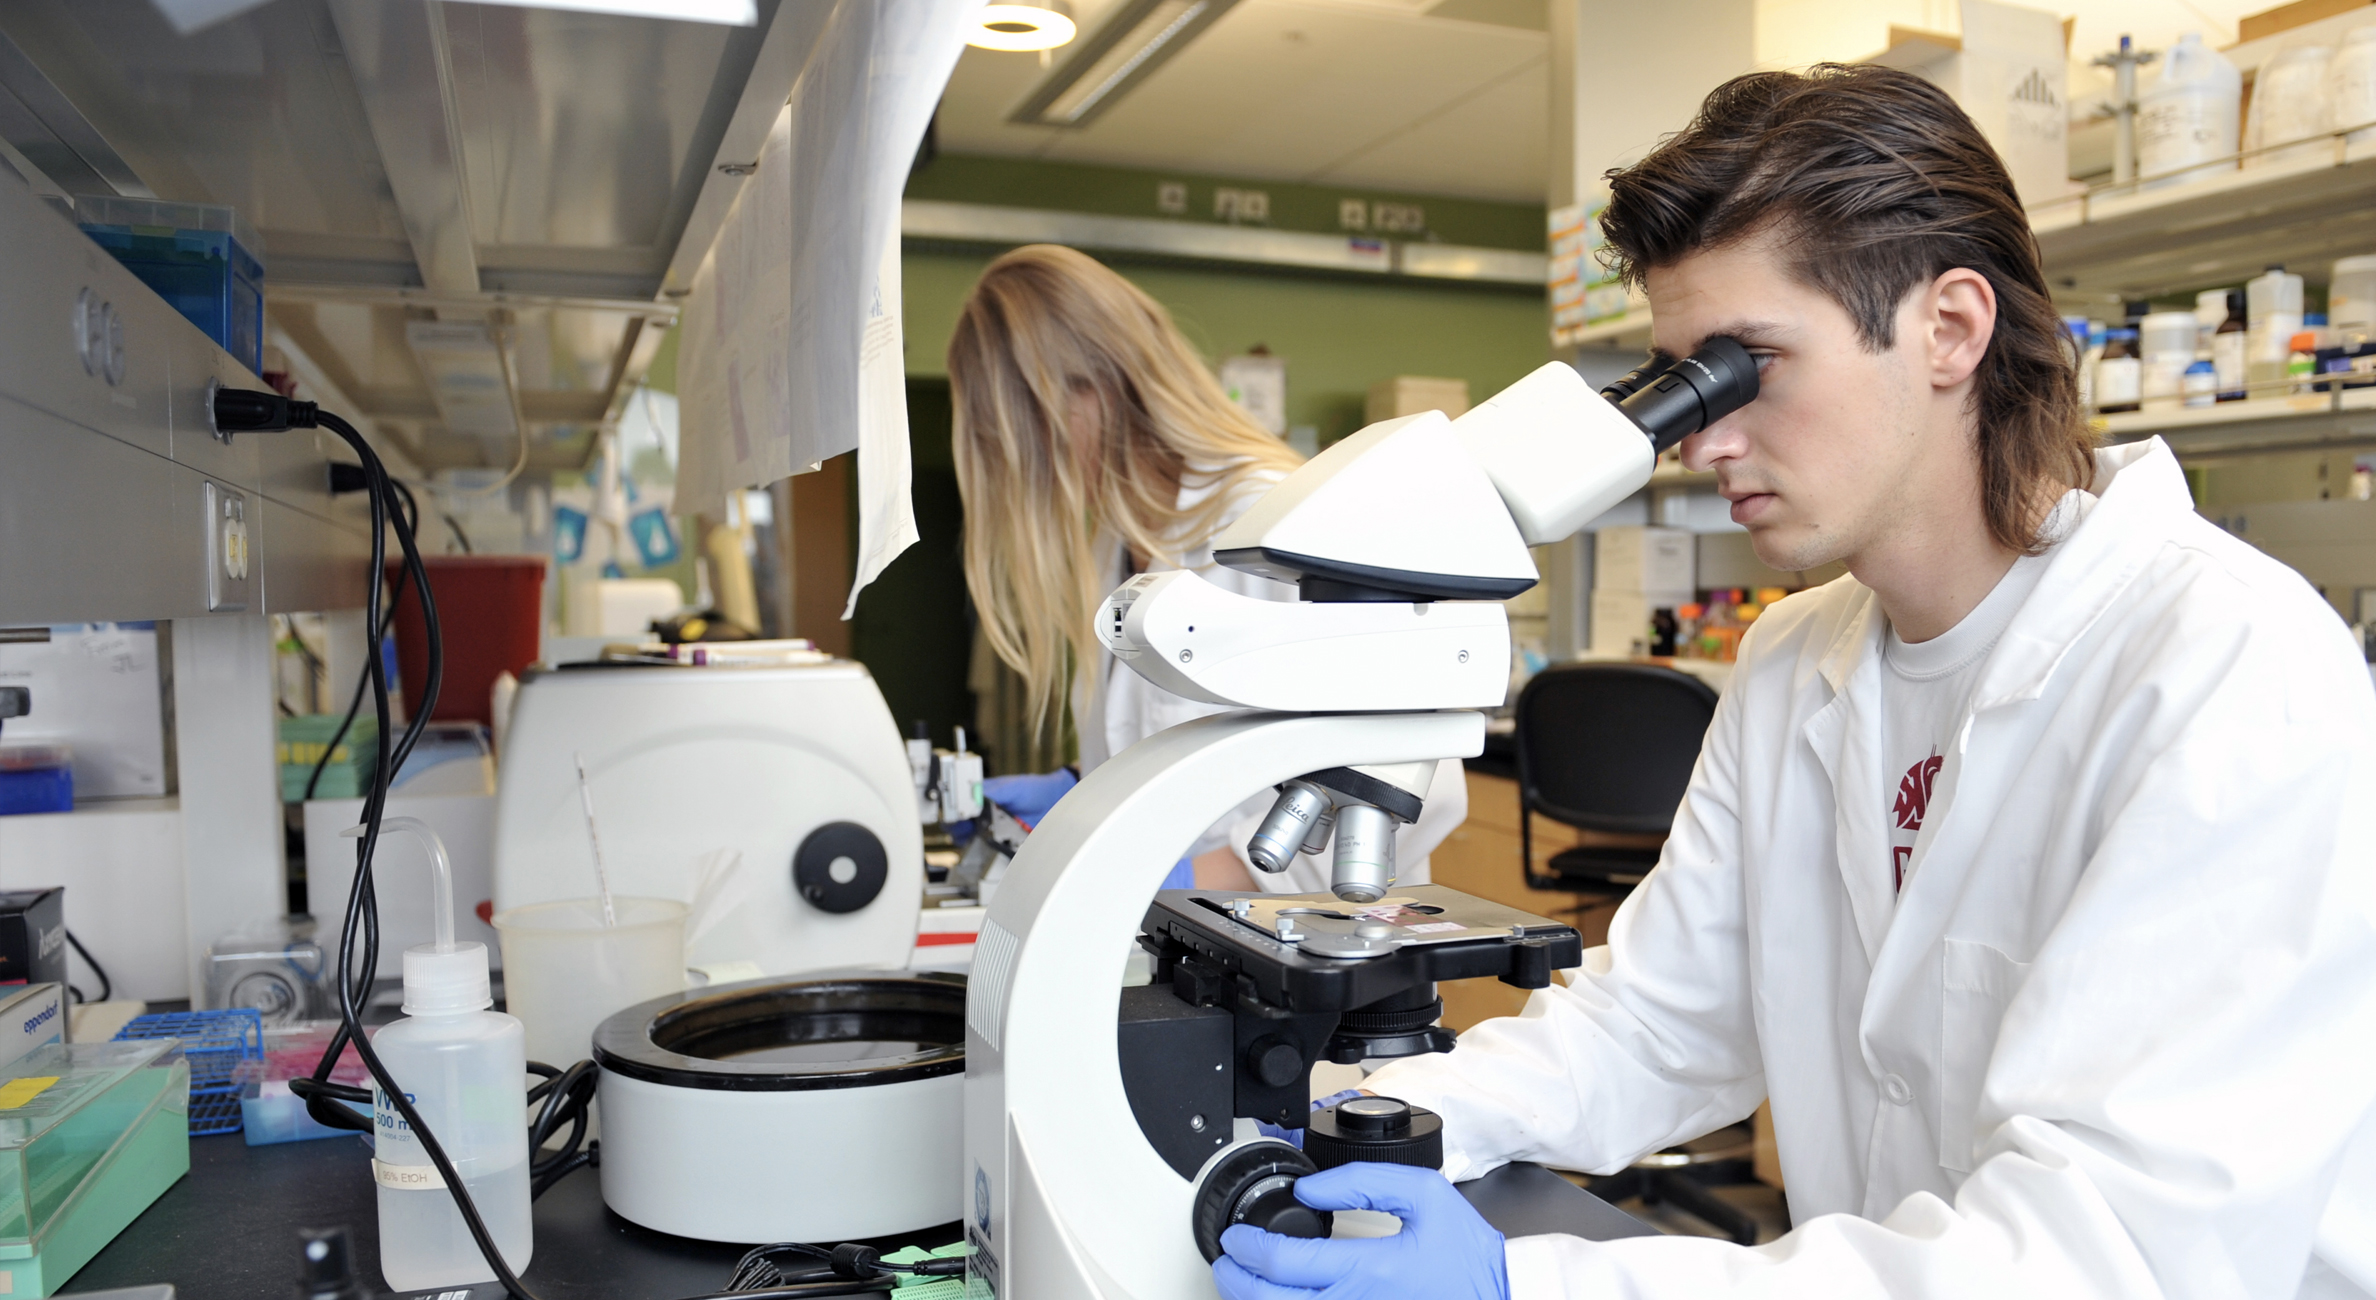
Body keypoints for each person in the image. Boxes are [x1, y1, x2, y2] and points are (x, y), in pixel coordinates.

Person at [1212, 64, 2376, 1300]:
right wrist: (1376, 1119)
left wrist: (1535, 1286)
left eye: (1748, 364)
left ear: (1949, 328)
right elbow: (1662, 1020)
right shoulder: (1792, 659)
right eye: (1680, 381)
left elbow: (2101, 1254)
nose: (1704, 439)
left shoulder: (2230, 671)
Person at [947, 244, 1466, 892]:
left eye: (1015, 442)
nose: (1020, 476)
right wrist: (1078, 791)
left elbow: (1417, 779)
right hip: (1188, 934)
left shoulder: (1278, 523)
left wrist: (1204, 878)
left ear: (1089, 392)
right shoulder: (1119, 541)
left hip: (1313, 937)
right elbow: (1178, 753)